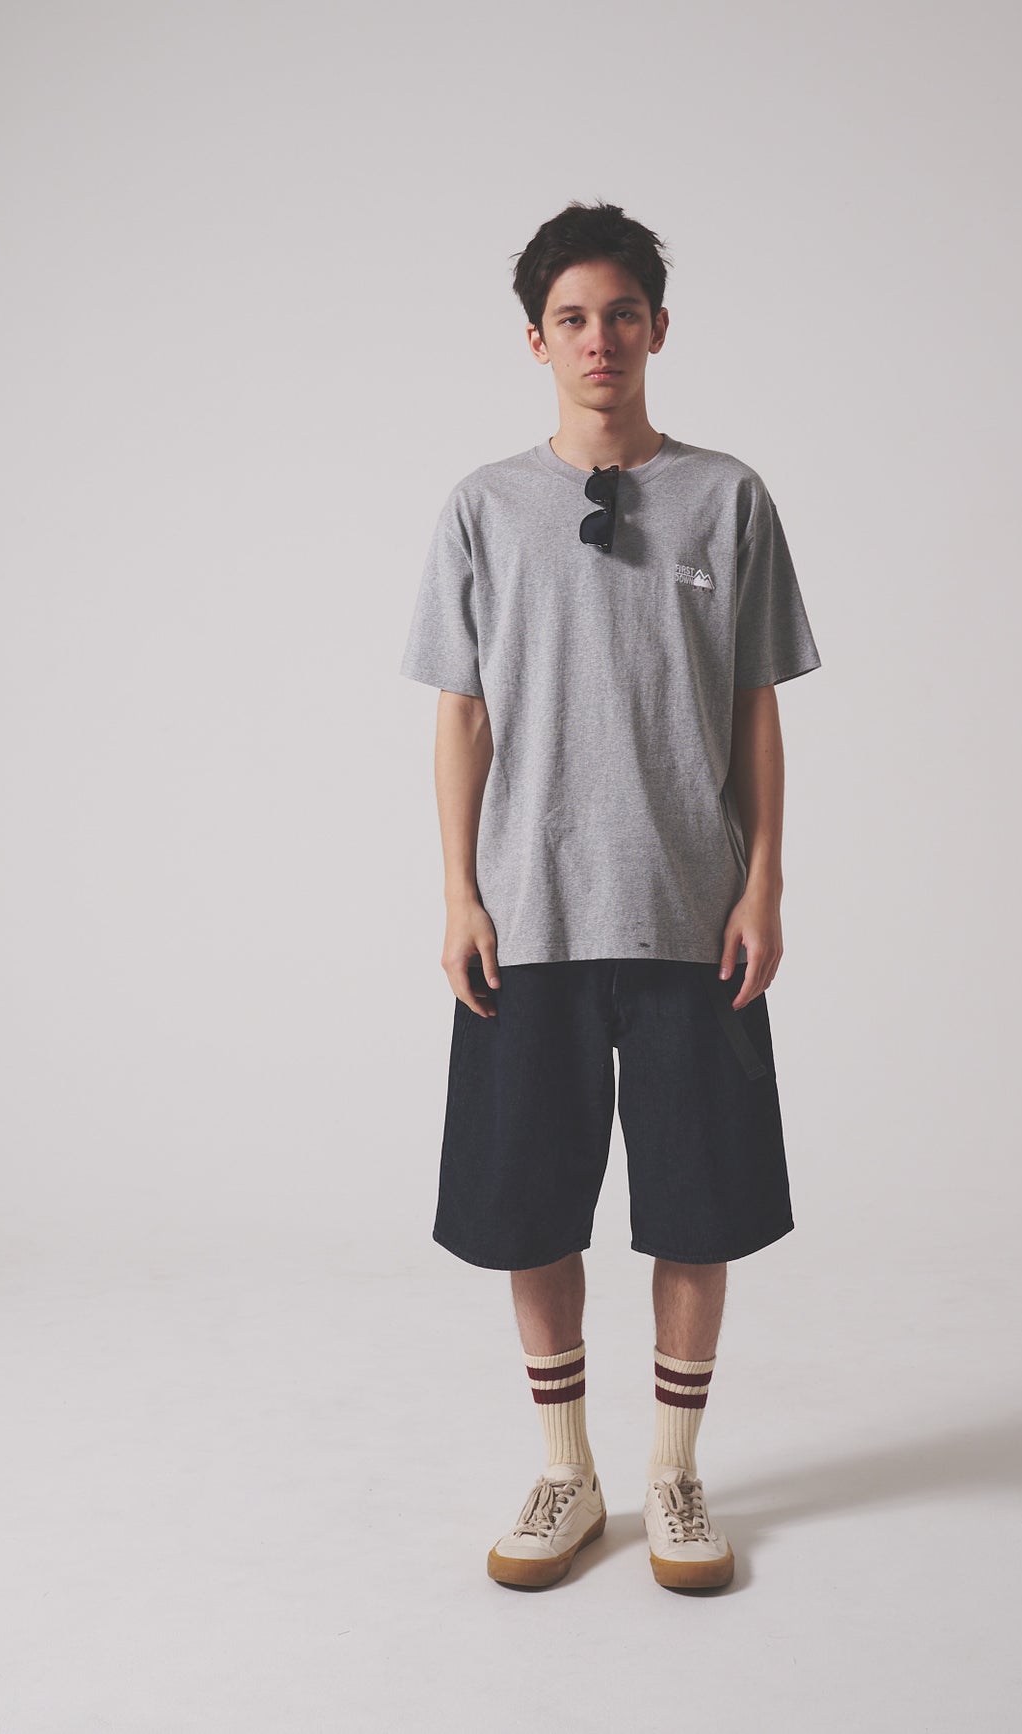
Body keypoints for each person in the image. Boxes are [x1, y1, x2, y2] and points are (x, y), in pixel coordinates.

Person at [398, 200, 822, 1592]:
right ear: (537, 340)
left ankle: (676, 1476)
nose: (599, 339)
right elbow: (462, 713)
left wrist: (762, 881)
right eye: (572, 319)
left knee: (697, 1201)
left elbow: (755, 708)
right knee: (529, 1201)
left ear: (657, 328)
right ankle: (568, 1470)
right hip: (529, 913)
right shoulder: (483, 507)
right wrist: (458, 893)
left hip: (692, 911)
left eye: (621, 315)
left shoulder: (727, 497)